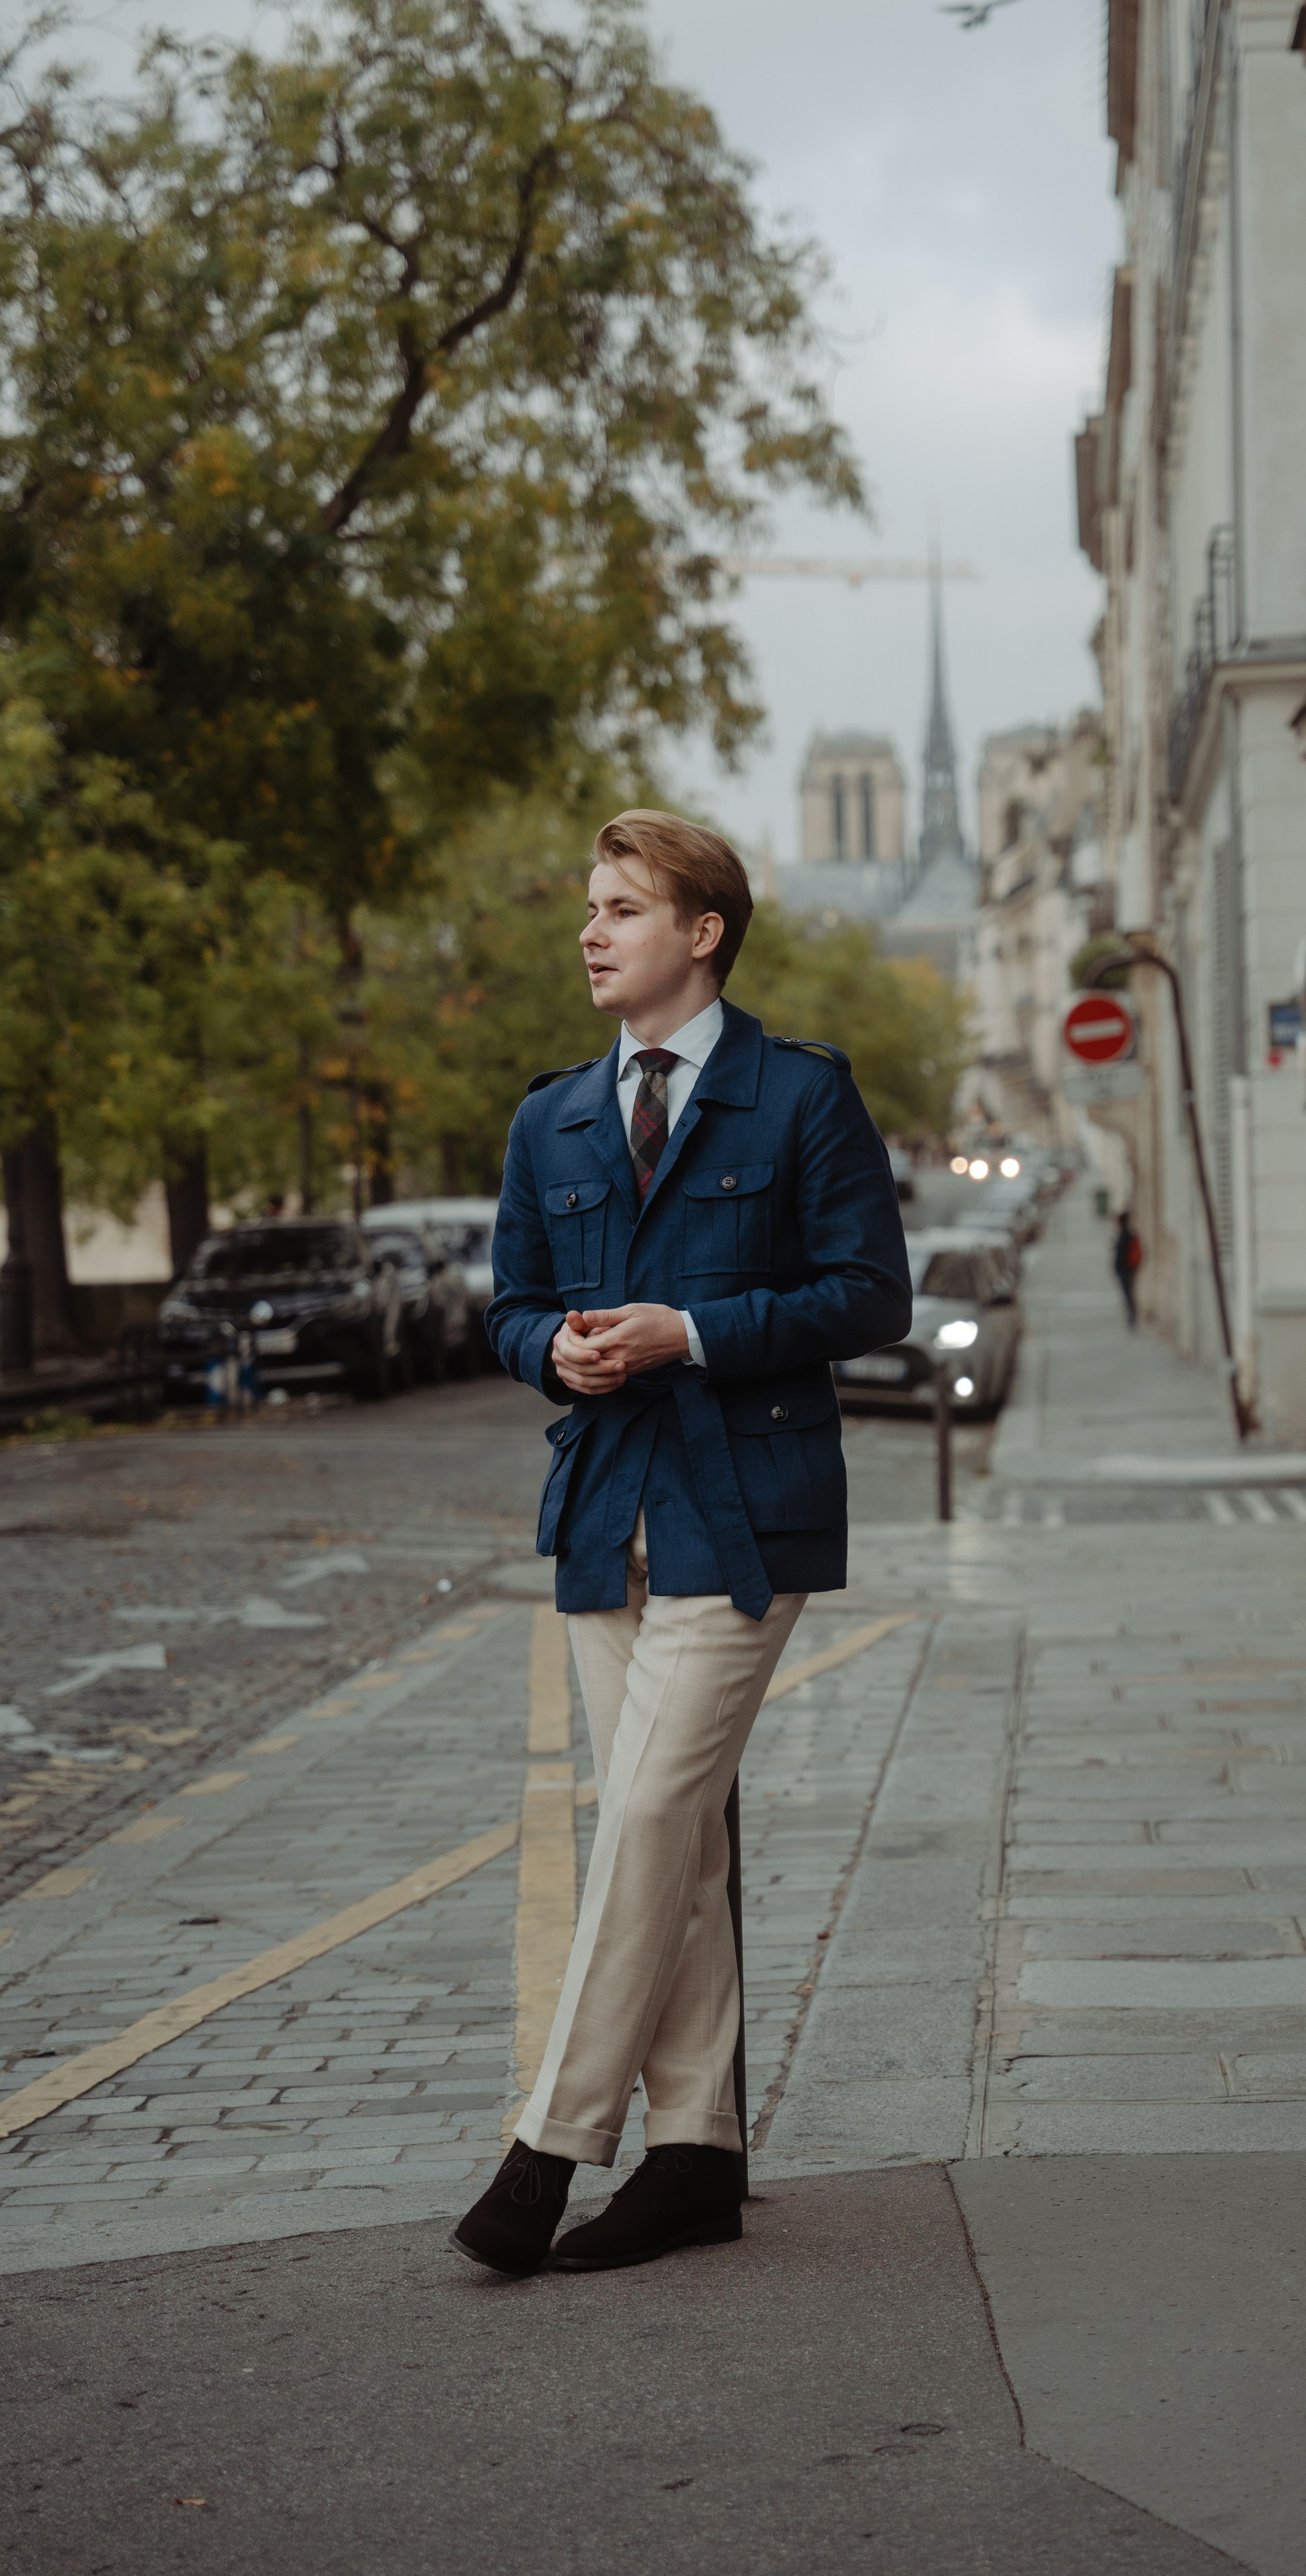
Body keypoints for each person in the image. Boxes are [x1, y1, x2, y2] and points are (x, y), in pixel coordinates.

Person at [451, 809, 911, 2278]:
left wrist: (694, 1331)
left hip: (743, 1510)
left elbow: (868, 1297)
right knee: (682, 1840)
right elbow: (509, 1301)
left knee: (646, 1816)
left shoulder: (798, 1100)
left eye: (620, 909)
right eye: (586, 909)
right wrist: (554, 1353)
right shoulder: (552, 1119)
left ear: (700, 932)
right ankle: (696, 2155)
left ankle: (547, 2146)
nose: (589, 933)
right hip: (602, 1514)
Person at [1113, 1207, 1141, 1329]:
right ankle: (1131, 1315)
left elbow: (1121, 1255)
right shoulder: (1127, 1235)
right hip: (1128, 1269)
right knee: (1129, 1293)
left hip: (1125, 1270)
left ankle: (1132, 1317)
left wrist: (1117, 1268)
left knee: (1128, 1293)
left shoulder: (1125, 1236)